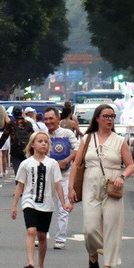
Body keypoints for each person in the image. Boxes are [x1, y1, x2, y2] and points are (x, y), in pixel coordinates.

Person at [68, 104, 134, 268]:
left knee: (112, 227)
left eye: (112, 116)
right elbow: (76, 164)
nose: (109, 119)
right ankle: (93, 254)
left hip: (113, 186)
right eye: (106, 116)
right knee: (90, 228)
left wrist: (122, 177)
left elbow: (131, 165)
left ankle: (108, 267)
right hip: (90, 185)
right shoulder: (88, 139)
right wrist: (71, 188)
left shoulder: (120, 140)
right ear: (97, 118)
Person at [10, 132, 70, 268]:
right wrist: (14, 206)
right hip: (29, 201)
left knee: (42, 235)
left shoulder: (52, 163)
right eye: (40, 141)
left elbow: (58, 184)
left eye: (46, 142)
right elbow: (20, 186)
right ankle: (30, 263)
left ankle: (40, 265)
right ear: (32, 145)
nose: (44, 144)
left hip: (47, 203)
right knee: (31, 231)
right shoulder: (26, 164)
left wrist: (63, 202)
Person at [42, 106, 78, 249]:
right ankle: (42, 235)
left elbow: (77, 149)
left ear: (58, 118)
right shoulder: (42, 134)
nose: (48, 121)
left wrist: (66, 160)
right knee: (43, 206)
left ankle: (60, 239)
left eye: (51, 118)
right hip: (46, 177)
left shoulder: (67, 133)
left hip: (64, 176)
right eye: (46, 119)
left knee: (63, 208)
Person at [7, 113, 32, 182]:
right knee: (26, 168)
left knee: (17, 169)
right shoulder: (28, 123)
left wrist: (0, 145)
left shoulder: (11, 123)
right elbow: (32, 134)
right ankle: (25, 185)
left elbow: (5, 134)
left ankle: (19, 187)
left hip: (15, 149)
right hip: (25, 148)